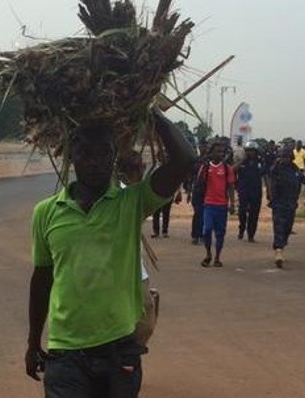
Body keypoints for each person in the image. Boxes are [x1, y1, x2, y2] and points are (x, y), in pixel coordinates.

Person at [25, 111, 195, 398]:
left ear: (114, 157)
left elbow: (185, 160)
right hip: (65, 351)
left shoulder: (132, 202)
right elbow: (42, 279)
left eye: (104, 152)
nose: (94, 161)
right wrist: (32, 342)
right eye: (85, 153)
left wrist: (151, 112)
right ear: (70, 157)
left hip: (119, 349)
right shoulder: (46, 212)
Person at [117, 150, 160, 348]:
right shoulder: (124, 193)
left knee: (145, 322)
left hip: (136, 270)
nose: (142, 170)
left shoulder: (137, 193)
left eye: (142, 166)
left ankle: (130, 354)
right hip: (115, 271)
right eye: (138, 168)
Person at [267, 147, 305, 268]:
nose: (284, 159)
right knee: (278, 227)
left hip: (291, 204)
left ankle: (282, 245)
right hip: (278, 204)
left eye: (287, 156)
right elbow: (269, 177)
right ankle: (278, 251)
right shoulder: (276, 169)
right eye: (282, 156)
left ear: (291, 158)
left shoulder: (295, 170)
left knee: (287, 228)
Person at [198, 139, 237, 268]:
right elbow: (199, 181)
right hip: (209, 204)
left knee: (220, 233)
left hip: (222, 205)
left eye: (222, 152)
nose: (220, 154)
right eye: (218, 152)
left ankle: (217, 257)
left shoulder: (227, 169)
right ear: (212, 153)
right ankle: (208, 253)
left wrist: (232, 203)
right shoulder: (206, 167)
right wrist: (202, 167)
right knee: (207, 230)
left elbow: (231, 186)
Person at [236, 141, 266, 243]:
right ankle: (241, 228)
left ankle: (251, 234)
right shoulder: (242, 163)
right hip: (243, 191)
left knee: (254, 214)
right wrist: (242, 161)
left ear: (256, 152)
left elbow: (265, 175)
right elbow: (232, 170)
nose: (250, 153)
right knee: (242, 212)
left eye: (252, 151)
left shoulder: (260, 162)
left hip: (256, 191)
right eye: (248, 151)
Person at [186, 141, 209, 245]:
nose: (202, 148)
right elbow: (191, 177)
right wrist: (189, 192)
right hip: (197, 190)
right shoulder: (196, 160)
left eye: (204, 146)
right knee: (198, 213)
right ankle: (195, 235)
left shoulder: (210, 161)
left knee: (205, 214)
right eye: (201, 146)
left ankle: (203, 235)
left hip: (207, 191)